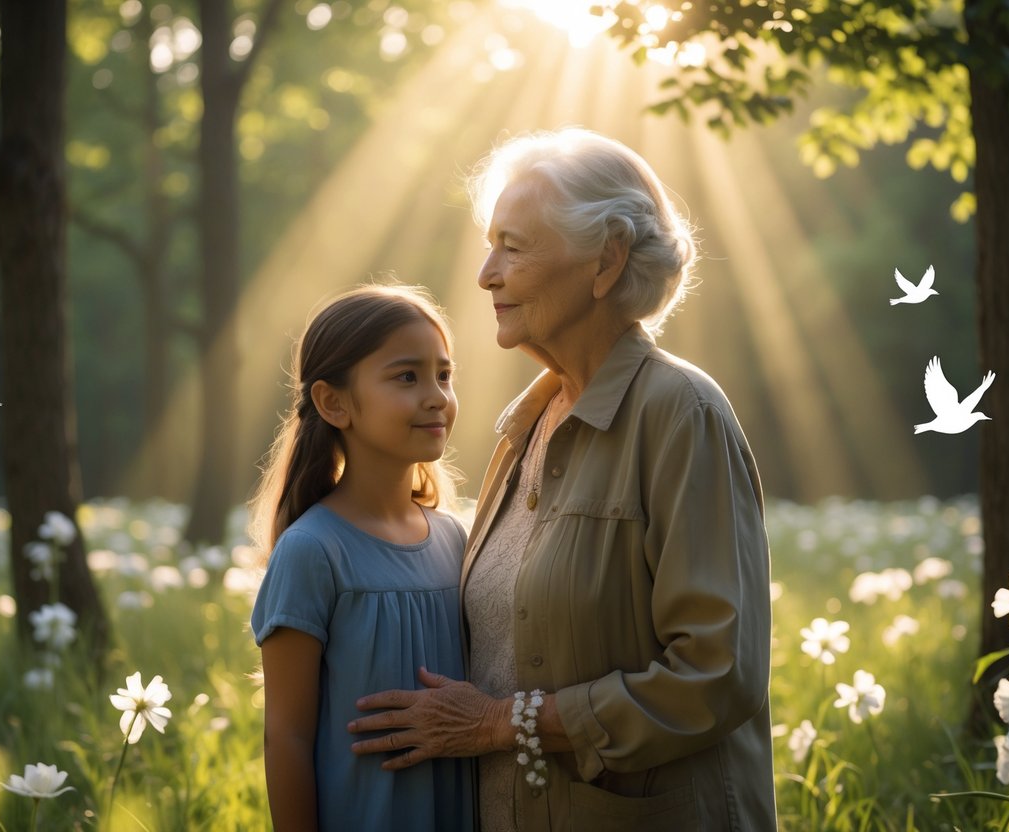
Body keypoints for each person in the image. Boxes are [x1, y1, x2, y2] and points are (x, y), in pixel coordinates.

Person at [347, 128, 777, 830]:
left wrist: (498, 723)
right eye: (491, 246)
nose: (486, 273)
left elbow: (716, 674)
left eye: (513, 247)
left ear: (604, 261)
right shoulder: (524, 426)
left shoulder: (680, 413)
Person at [250, 284, 473, 832]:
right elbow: (287, 738)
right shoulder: (313, 551)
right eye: (407, 377)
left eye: (444, 375)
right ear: (334, 403)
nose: (436, 396)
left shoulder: (457, 541)